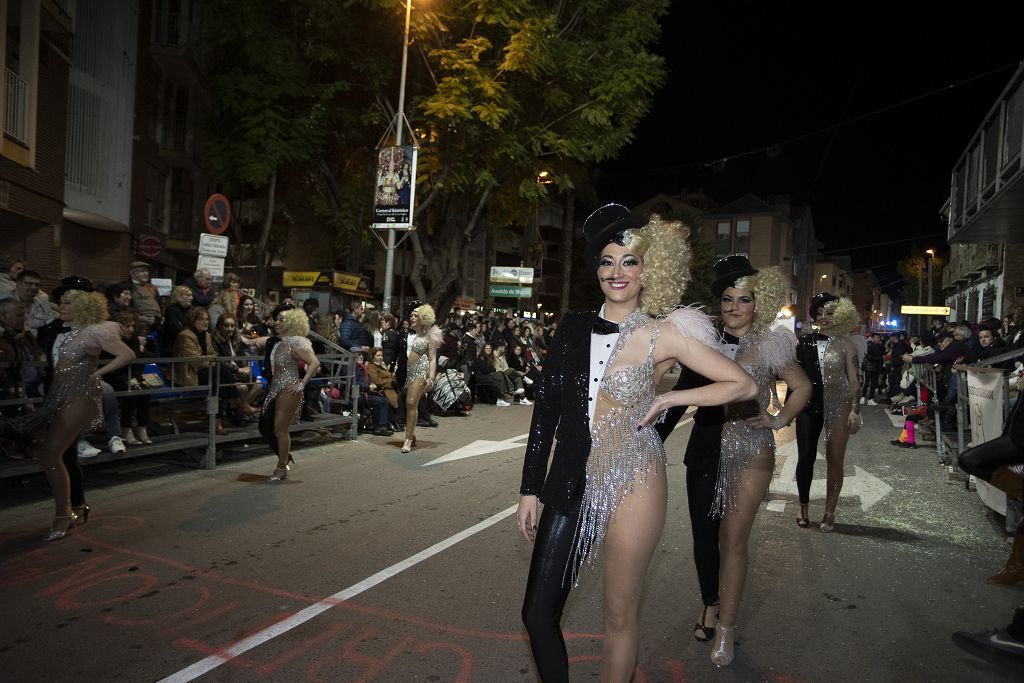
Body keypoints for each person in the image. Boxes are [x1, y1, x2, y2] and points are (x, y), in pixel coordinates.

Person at [516, 205, 756, 682]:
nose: (617, 272)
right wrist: (529, 488)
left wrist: (674, 400)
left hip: (635, 477)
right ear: (597, 271)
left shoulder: (663, 332)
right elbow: (545, 414)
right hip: (570, 477)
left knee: (619, 613)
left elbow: (742, 385)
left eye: (630, 261)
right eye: (607, 261)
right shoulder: (571, 328)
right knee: (537, 614)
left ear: (649, 270)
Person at [661, 256, 811, 666]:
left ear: (756, 304)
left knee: (733, 540)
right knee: (704, 538)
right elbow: (680, 390)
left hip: (751, 449)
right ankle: (710, 601)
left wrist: (779, 418)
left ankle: (725, 627)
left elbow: (802, 387)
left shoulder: (771, 345)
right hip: (706, 446)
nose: (733, 307)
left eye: (743, 299)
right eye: (727, 299)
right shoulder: (701, 343)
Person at [16, 281, 134, 540]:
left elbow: (126, 354)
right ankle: (71, 508)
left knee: (50, 455)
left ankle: (65, 513)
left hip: (79, 397)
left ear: (83, 306)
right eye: (61, 302)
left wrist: (96, 374)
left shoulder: (94, 332)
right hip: (59, 396)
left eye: (68, 303)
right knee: (50, 454)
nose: (61, 306)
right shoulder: (66, 331)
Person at [792, 293, 862, 532]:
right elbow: (794, 376)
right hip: (809, 406)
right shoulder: (805, 342)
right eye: (819, 313)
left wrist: (855, 410)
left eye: (829, 313)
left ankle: (829, 512)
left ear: (840, 315)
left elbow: (854, 381)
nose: (823, 318)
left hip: (838, 405)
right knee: (806, 456)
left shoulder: (846, 345)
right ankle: (802, 508)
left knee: (835, 460)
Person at [258, 308, 320, 480]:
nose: (276, 322)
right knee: (270, 427)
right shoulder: (279, 342)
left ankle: (281, 468)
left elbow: (314, 363)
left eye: (281, 320)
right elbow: (262, 342)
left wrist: (301, 384)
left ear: (292, 322)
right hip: (275, 388)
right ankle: (284, 460)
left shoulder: (296, 343)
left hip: (289, 390)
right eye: (276, 319)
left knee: (280, 429)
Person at [401, 304, 441, 452]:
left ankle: (408, 439)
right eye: (411, 315)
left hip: (421, 371)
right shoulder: (414, 334)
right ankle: (411, 434)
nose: (412, 317)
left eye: (416, 315)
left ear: (424, 317)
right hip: (409, 372)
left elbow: (432, 358)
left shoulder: (430, 336)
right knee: (409, 404)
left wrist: (431, 378)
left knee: (411, 402)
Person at [355, 350, 393, 436]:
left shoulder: (361, 367)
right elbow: (354, 383)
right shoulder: (352, 368)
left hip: (364, 391)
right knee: (381, 401)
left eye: (362, 355)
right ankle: (380, 427)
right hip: (356, 393)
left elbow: (365, 381)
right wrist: (368, 387)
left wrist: (369, 384)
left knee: (383, 398)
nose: (361, 357)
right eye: (358, 355)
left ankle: (382, 424)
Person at [366, 346, 400, 433]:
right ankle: (389, 422)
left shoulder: (382, 366)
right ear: (373, 356)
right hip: (380, 388)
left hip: (388, 387)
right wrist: (390, 381)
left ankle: (394, 420)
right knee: (391, 396)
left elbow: (390, 376)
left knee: (400, 395)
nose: (380, 357)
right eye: (378, 355)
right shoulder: (371, 366)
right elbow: (376, 380)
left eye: (381, 355)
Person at [124, 261, 162, 336]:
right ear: (132, 273)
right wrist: (137, 317)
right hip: (136, 325)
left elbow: (159, 306)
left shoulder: (152, 288)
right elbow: (123, 307)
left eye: (147, 271)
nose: (146, 273)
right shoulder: (126, 287)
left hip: (154, 324)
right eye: (142, 271)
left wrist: (156, 319)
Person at [14, 269, 54, 336]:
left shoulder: (43, 303)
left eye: (37, 285)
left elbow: (51, 325)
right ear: (18, 284)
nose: (34, 287)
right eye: (29, 284)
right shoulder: (6, 301)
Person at [161, 285, 194, 356]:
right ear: (178, 296)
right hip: (173, 345)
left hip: (190, 343)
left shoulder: (191, 311)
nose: (191, 298)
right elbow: (176, 329)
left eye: (191, 295)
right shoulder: (171, 310)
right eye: (188, 295)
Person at [860, 332, 885, 405]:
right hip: (868, 367)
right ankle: (863, 397)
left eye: (879, 338)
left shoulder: (880, 346)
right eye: (877, 338)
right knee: (866, 383)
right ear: (873, 338)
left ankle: (871, 399)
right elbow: (868, 356)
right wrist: (878, 358)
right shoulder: (868, 345)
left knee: (874, 384)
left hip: (876, 368)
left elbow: (882, 355)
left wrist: (879, 361)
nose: (878, 339)